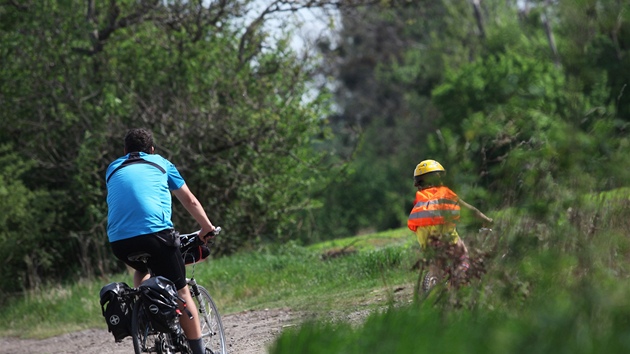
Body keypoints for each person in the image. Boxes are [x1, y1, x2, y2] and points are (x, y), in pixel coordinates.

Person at [106, 128, 217, 354]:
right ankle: (198, 352)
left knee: (142, 267)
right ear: (152, 150)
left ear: (125, 150)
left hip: (119, 242)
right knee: (181, 292)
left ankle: (146, 314)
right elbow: (190, 201)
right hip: (156, 235)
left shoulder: (112, 167)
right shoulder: (161, 163)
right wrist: (207, 228)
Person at [407, 159, 492, 286]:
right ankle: (458, 285)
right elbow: (470, 210)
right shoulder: (445, 192)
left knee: (435, 262)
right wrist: (487, 220)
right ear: (437, 176)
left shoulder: (420, 197)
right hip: (444, 232)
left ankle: (432, 285)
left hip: (423, 235)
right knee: (462, 257)